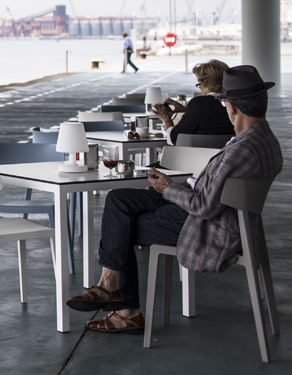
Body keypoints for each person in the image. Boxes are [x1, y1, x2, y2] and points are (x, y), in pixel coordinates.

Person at [65, 65, 282, 333]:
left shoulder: (243, 149)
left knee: (122, 227)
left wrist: (169, 189)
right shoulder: (262, 139)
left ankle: (123, 306)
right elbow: (215, 190)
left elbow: (204, 206)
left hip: (209, 225)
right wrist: (182, 185)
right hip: (219, 212)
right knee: (119, 199)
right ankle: (112, 290)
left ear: (232, 106)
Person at [150, 59, 234, 144]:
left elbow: (174, 139)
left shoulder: (199, 103)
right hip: (226, 154)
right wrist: (187, 110)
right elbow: (212, 114)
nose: (200, 88)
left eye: (199, 84)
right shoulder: (234, 103)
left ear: (206, 84)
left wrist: (166, 119)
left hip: (197, 155)